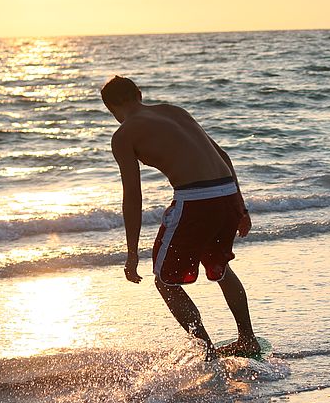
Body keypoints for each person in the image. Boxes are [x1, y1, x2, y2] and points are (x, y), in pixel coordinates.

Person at [101, 75, 260, 359]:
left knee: (165, 281)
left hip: (197, 199)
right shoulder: (174, 111)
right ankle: (248, 340)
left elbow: (133, 196)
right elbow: (223, 154)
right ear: (139, 93)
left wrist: (132, 253)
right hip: (227, 192)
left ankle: (207, 354)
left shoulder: (123, 135)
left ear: (111, 108)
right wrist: (241, 207)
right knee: (220, 266)